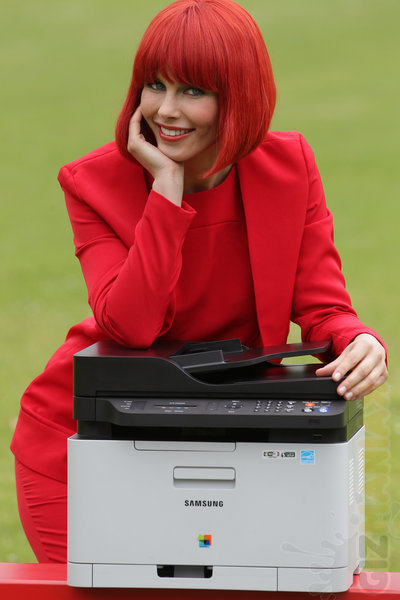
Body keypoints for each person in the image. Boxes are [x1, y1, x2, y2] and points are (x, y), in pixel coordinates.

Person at [11, 0, 387, 564]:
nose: (165, 110)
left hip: (225, 439)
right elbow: (131, 325)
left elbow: (323, 306)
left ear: (239, 97)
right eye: (155, 85)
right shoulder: (92, 183)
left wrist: (358, 339)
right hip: (88, 443)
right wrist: (167, 188)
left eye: (193, 91)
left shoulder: (289, 167)